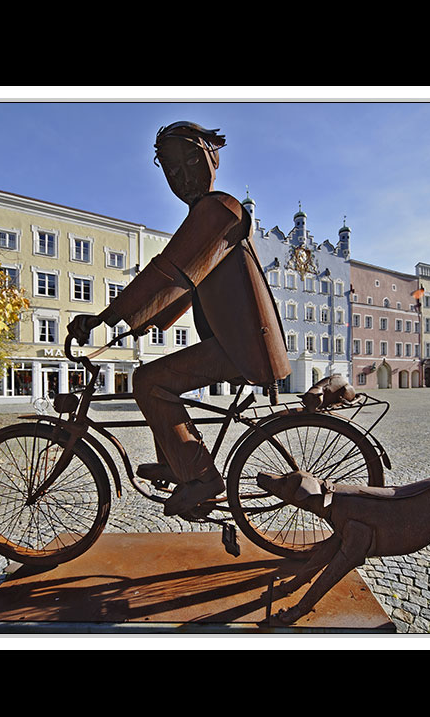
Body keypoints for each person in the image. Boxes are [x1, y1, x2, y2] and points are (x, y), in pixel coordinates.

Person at [68, 122, 290, 518]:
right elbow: (184, 288)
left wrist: (109, 315)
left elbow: (171, 271)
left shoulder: (221, 209)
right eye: (172, 168)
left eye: (192, 160)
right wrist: (146, 321)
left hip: (242, 344)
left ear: (213, 158)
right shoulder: (210, 212)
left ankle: (201, 478)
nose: (184, 175)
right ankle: (177, 462)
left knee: (150, 381)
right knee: (154, 379)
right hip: (236, 340)